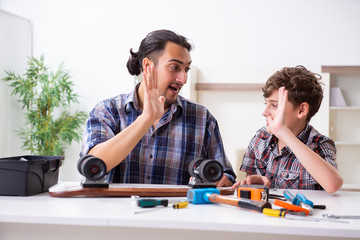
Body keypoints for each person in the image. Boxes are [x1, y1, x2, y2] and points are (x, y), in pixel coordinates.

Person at [80, 29, 236, 186]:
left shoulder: (202, 118)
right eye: (175, 67)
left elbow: (226, 177)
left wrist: (222, 181)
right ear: (148, 66)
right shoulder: (108, 111)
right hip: (117, 210)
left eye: (186, 69)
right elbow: (94, 163)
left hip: (179, 210)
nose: (183, 79)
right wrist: (146, 119)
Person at [233, 66, 343, 193]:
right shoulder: (260, 138)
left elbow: (333, 185)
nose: (264, 112)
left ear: (301, 110)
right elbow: (251, 190)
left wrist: (284, 133)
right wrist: (255, 182)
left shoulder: (320, 144)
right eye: (266, 104)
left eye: (274, 105)